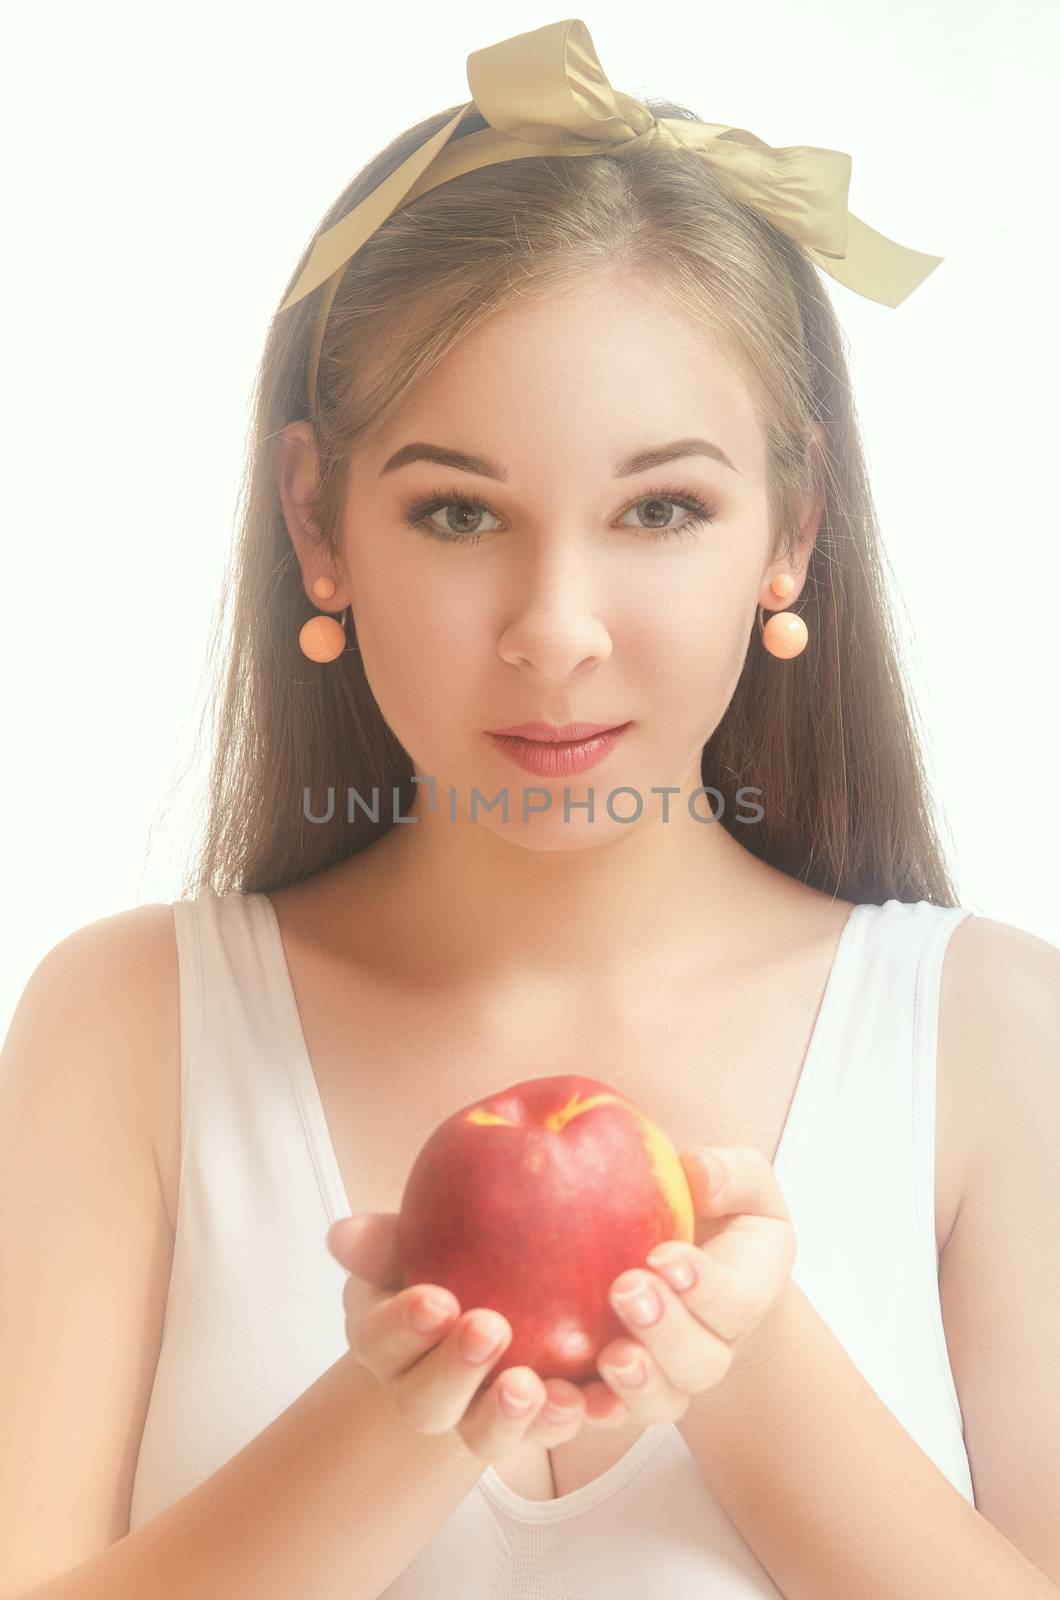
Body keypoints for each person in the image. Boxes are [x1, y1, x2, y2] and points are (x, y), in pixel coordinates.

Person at [3, 19, 1058, 1600]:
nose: (556, 626)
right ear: (320, 520)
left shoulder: (994, 1037)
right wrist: (401, 1413)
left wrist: (752, 1367)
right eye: (455, 510)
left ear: (793, 530)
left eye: (660, 508)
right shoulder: (126, 1025)